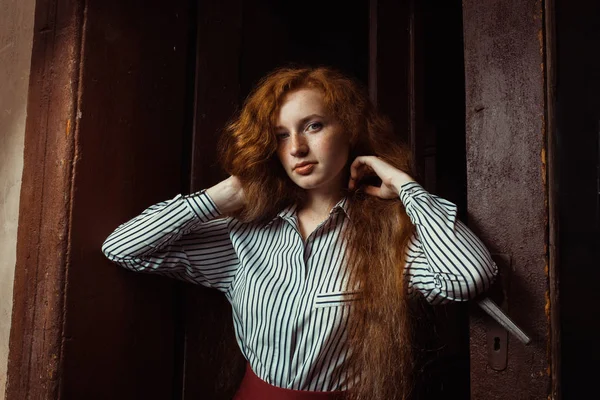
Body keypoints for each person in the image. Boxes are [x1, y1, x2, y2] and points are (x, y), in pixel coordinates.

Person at [102, 67, 497, 400]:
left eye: (313, 125)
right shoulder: (246, 234)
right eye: (281, 135)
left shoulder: (392, 236)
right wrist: (221, 195)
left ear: (349, 131)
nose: (297, 148)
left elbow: (469, 277)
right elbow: (123, 248)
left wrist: (405, 186)